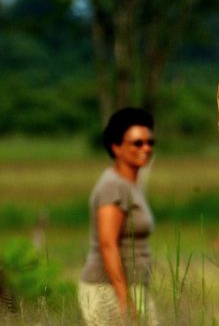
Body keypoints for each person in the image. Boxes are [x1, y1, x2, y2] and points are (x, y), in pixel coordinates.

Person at [79, 107, 158, 326]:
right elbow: (108, 245)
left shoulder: (130, 185)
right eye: (137, 143)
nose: (146, 148)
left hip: (135, 287)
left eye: (150, 142)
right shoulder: (113, 186)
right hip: (107, 289)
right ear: (116, 147)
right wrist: (125, 301)